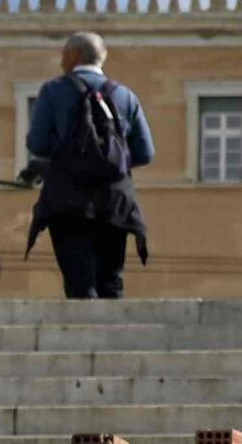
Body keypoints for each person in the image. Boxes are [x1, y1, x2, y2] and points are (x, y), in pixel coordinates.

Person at [22, 32, 154, 301]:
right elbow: (145, 152)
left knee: (79, 282)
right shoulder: (125, 96)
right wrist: (111, 163)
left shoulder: (53, 91)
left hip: (67, 200)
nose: (61, 61)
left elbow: (37, 143)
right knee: (111, 282)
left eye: (63, 55)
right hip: (115, 201)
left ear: (74, 56)